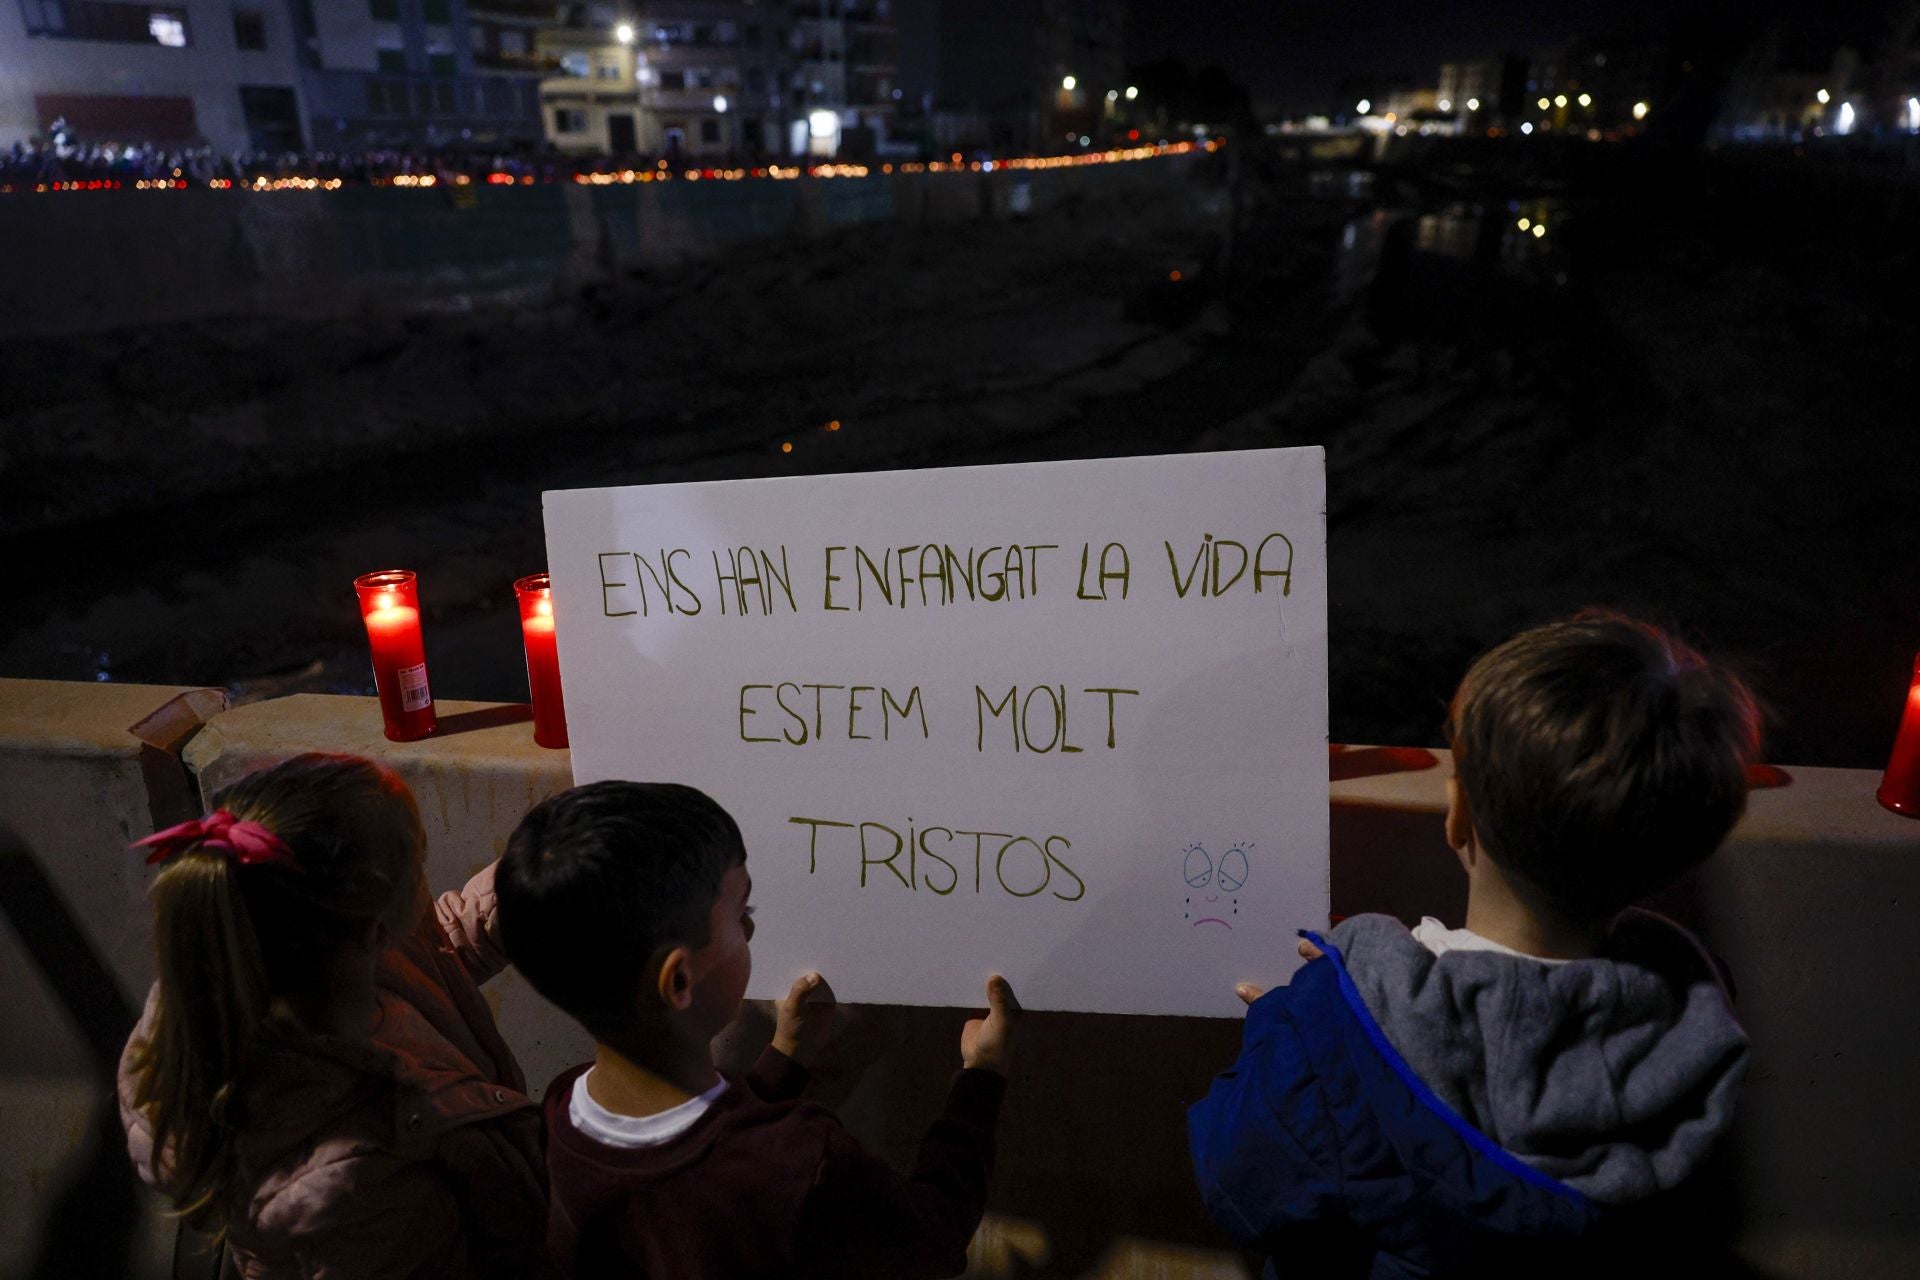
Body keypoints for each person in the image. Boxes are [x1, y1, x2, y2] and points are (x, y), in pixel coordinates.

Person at [1189, 611, 1761, 1278]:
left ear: (1458, 817)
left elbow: (1237, 1187)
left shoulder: (1324, 1034)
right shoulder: (1692, 1024)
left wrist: (1294, 1025)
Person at [494, 780, 1014, 1279]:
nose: (751, 929)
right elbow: (936, 1237)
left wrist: (783, 1059)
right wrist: (981, 1078)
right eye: (742, 913)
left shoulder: (563, 1112)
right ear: (678, 980)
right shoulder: (806, 1166)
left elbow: (692, 1167)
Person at [118, 753, 549, 1279]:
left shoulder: (272, 961)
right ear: (374, 930)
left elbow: (429, 954)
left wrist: (535, 875)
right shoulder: (359, 1182)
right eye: (417, 867)